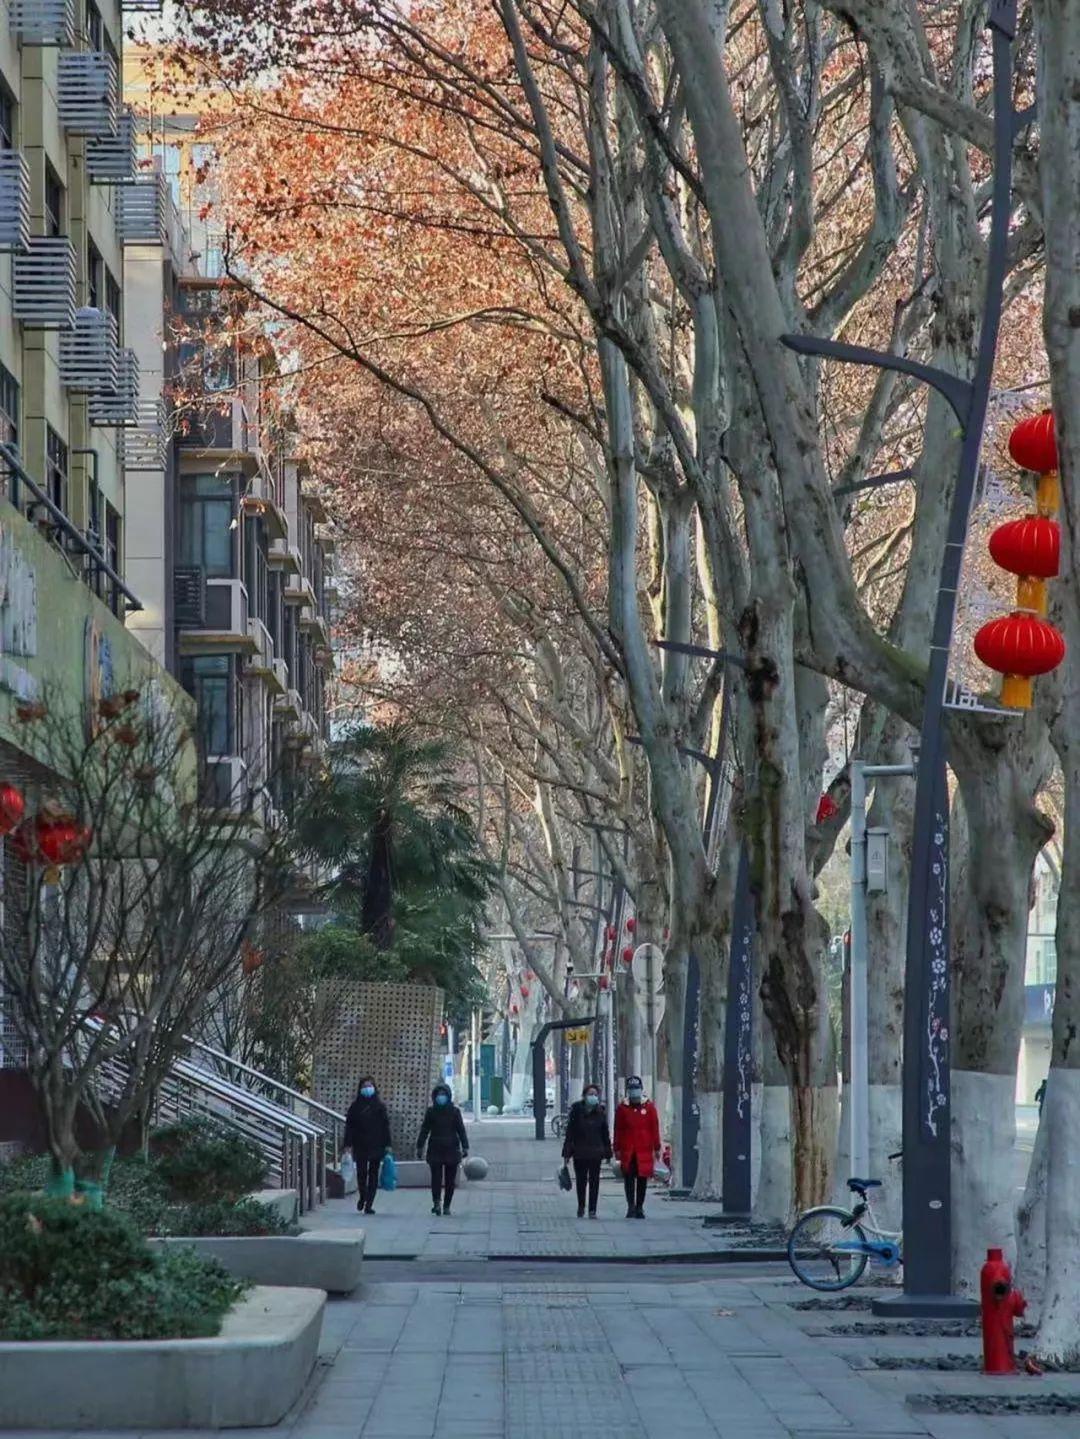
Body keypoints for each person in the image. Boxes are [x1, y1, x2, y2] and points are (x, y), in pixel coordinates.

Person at [342, 1075, 392, 1216]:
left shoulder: (380, 1107)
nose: (367, 1089)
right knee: (362, 1173)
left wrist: (388, 1145)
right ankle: (363, 1196)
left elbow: (385, 1126)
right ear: (360, 1089)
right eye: (364, 1086)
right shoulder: (355, 1107)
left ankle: (369, 1204)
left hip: (377, 1144)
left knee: (374, 1174)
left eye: (369, 1086)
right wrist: (347, 1144)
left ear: (374, 1088)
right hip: (360, 1144)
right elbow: (349, 1127)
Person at [417, 1082, 469, 1216]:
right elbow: (425, 1129)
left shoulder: (454, 1111)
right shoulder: (431, 1111)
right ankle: (436, 1203)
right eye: (439, 1095)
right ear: (434, 1097)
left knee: (450, 1180)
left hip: (452, 1148)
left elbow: (461, 1130)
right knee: (436, 1178)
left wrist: (465, 1146)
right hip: (435, 1148)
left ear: (448, 1096)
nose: (441, 1097)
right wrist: (420, 1146)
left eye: (443, 1095)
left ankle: (447, 1205)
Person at [613, 1075, 661, 1219]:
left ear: (641, 1089)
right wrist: (617, 1148)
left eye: (637, 1088)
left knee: (642, 1179)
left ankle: (640, 1207)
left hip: (644, 1150)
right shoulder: (622, 1109)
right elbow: (618, 1129)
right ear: (628, 1091)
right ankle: (630, 1206)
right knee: (628, 1179)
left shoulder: (650, 1108)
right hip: (628, 1150)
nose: (635, 1092)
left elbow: (655, 1128)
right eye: (632, 1089)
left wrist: (657, 1147)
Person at [561, 1082, 612, 1218]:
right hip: (580, 1152)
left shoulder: (601, 1112)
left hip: (596, 1152)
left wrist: (608, 1151)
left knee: (595, 1181)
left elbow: (605, 1133)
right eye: (590, 1094)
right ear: (584, 1096)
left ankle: (592, 1210)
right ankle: (581, 1206)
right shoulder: (576, 1110)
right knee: (581, 1181)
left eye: (595, 1095)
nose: (593, 1097)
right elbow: (570, 1132)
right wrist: (566, 1153)